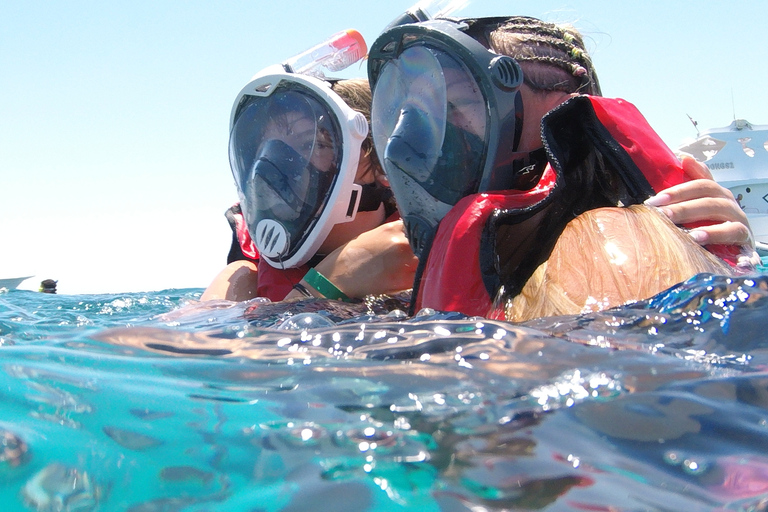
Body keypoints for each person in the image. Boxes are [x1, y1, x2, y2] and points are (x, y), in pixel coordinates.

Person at [364, 15, 758, 320]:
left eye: (455, 104)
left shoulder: (611, 246)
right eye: (406, 112)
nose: (402, 144)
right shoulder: (487, 262)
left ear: (559, 113)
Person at [201, 77, 417, 303]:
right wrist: (332, 281)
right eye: (264, 150)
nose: (274, 167)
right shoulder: (242, 282)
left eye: (312, 144)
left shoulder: (429, 256)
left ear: (383, 164)